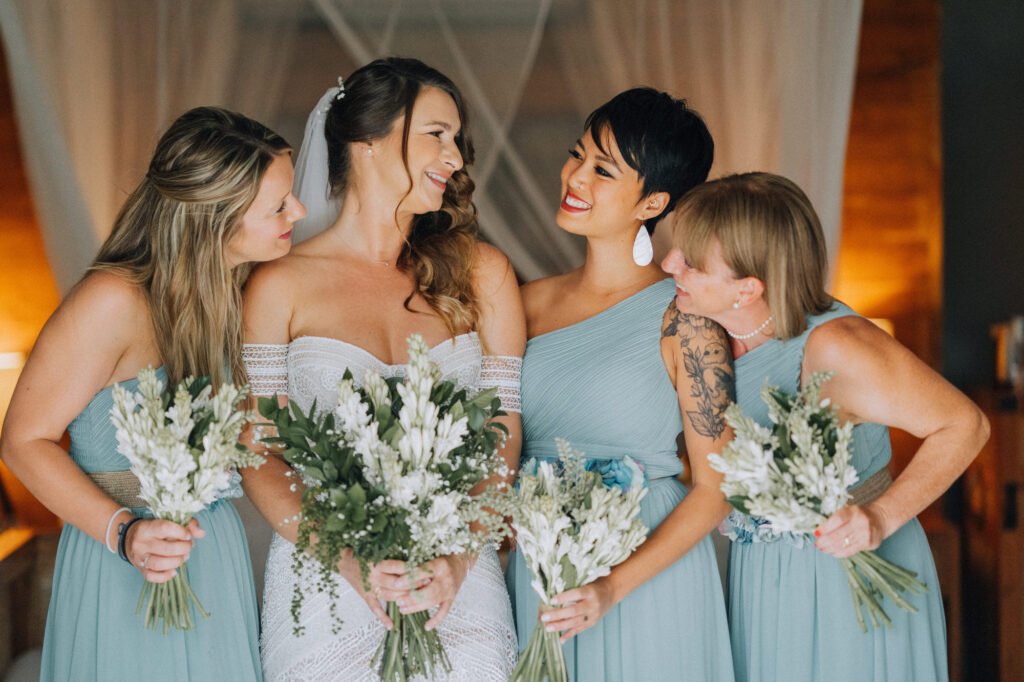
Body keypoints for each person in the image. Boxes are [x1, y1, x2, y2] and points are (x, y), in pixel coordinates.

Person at [241, 57, 525, 681]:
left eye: (457, 138)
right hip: (323, 579)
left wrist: (458, 556)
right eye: (436, 134)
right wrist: (344, 558)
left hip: (455, 577)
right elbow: (259, 449)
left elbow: (503, 431)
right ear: (367, 140)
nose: (455, 156)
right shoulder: (279, 286)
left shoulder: (483, 274)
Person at [0, 106, 304, 681]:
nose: (300, 212)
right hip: (121, 556)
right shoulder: (112, 302)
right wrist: (126, 534)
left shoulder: (234, 296)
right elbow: (22, 440)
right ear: (214, 217)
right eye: (279, 205)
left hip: (211, 552)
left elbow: (256, 437)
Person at [662, 171, 989, 682]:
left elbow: (965, 425)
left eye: (691, 262)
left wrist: (879, 517)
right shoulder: (707, 335)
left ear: (748, 289)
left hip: (846, 572)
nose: (669, 264)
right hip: (762, 575)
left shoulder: (838, 346)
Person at [507, 87, 736, 681]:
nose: (575, 176)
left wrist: (611, 587)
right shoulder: (525, 303)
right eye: (576, 154)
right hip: (537, 561)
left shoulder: (685, 319)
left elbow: (715, 489)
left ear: (653, 201)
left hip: (643, 571)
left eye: (603, 170)